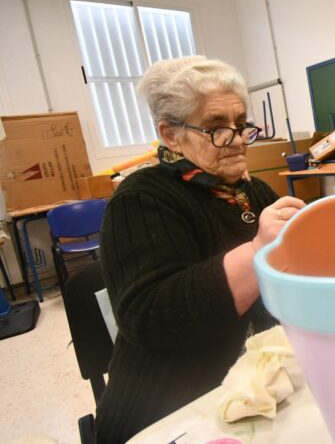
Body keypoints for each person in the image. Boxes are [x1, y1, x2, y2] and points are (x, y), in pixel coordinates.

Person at [95, 56, 305, 442]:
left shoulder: (252, 192)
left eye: (242, 125)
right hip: (167, 411)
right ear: (171, 135)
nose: (238, 139)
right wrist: (260, 249)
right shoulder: (140, 199)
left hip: (254, 393)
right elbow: (150, 315)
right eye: (215, 128)